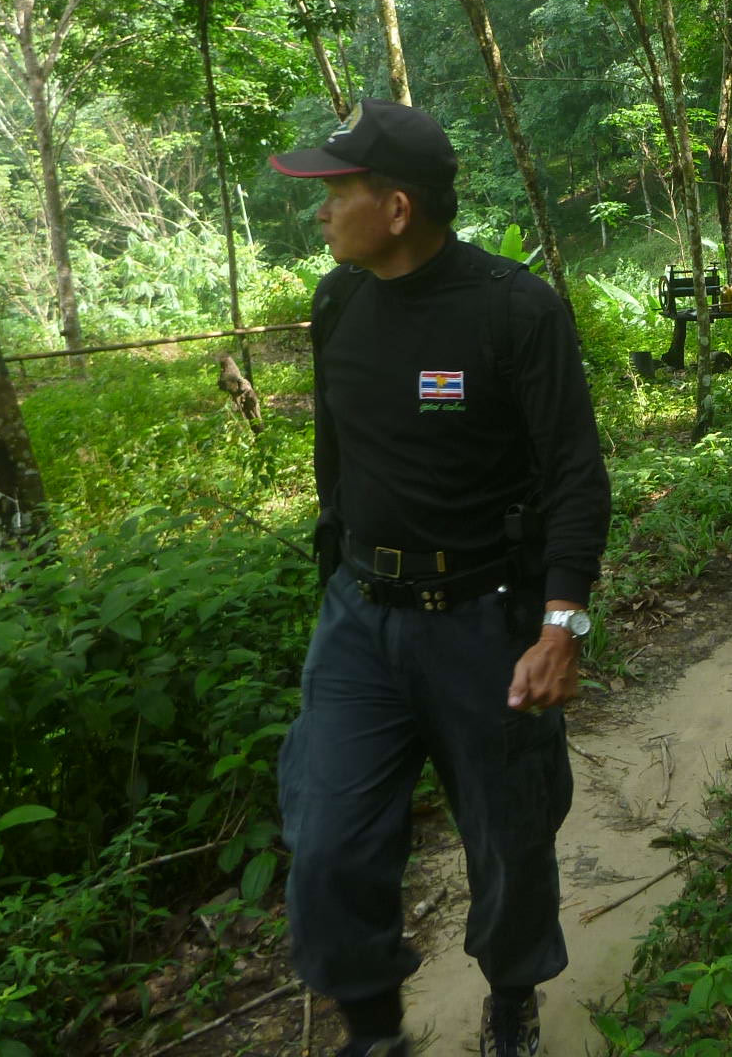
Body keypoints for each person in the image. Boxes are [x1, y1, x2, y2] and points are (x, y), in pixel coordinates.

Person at [269, 100, 610, 1057]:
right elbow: (338, 461)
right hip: (359, 618)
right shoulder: (338, 303)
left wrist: (560, 625)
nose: (320, 211)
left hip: (483, 622)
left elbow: (575, 475)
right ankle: (375, 1030)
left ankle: (511, 995)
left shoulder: (515, 310)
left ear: (398, 208)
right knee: (328, 838)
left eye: (336, 192)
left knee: (510, 834)